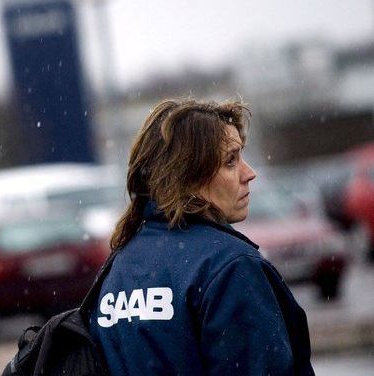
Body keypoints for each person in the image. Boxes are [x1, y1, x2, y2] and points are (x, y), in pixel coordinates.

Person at [88, 98, 315, 375]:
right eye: (231, 161)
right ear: (188, 174)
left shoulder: (119, 266)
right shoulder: (229, 266)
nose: (249, 173)